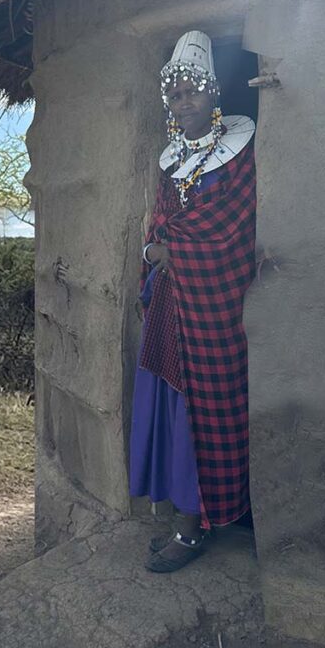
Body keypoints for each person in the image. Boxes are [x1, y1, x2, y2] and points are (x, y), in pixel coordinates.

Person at [129, 30, 257, 572]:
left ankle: (200, 523)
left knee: (207, 406)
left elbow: (233, 225)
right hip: (170, 305)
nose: (185, 102)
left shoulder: (238, 155)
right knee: (171, 403)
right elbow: (161, 221)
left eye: (194, 92)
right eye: (176, 95)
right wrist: (155, 251)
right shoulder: (169, 163)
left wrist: (170, 247)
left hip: (212, 306)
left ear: (214, 94)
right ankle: (183, 515)